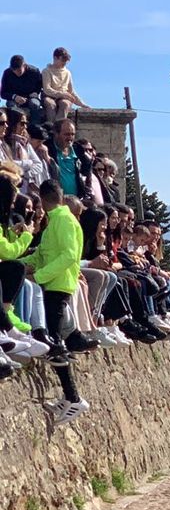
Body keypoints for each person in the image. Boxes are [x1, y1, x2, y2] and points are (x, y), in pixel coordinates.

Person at [24, 181, 90, 423]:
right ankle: (70, 397)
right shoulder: (59, 219)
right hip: (57, 283)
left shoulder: (62, 220)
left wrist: (39, 275)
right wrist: (21, 265)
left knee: (54, 341)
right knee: (56, 340)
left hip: (57, 285)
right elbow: (43, 253)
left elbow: (69, 255)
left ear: (42, 199)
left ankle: (73, 398)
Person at [40, 49, 85, 127]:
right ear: (55, 58)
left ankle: (59, 127)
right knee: (50, 104)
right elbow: (47, 89)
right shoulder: (46, 71)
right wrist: (62, 94)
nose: (64, 63)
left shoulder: (67, 73)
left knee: (65, 104)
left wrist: (82, 104)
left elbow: (71, 91)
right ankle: (51, 128)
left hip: (64, 97)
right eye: (62, 60)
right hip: (50, 96)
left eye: (66, 61)